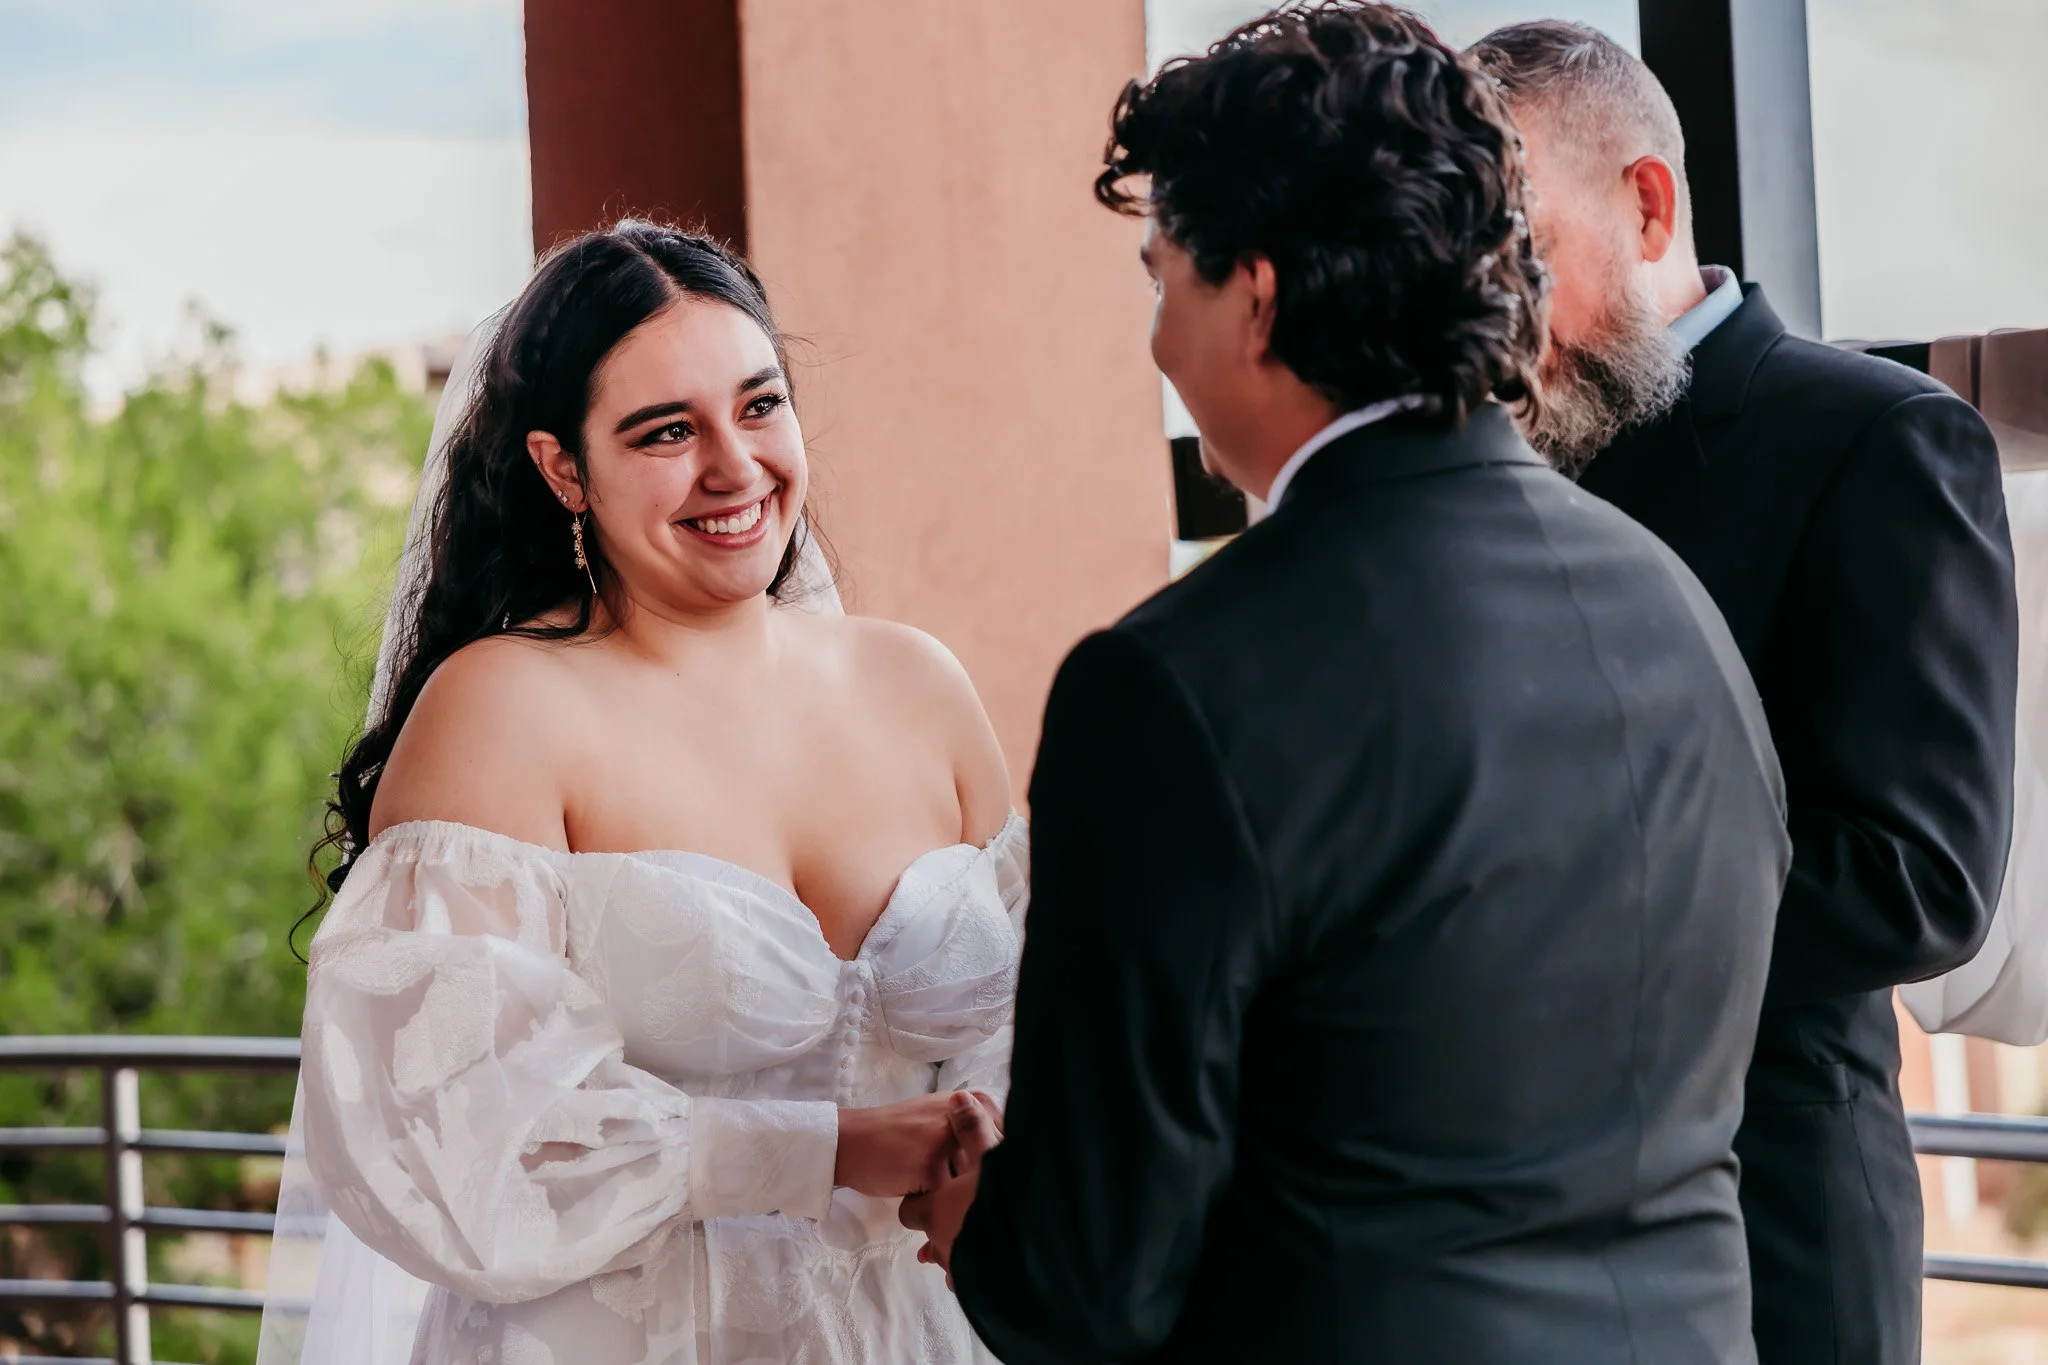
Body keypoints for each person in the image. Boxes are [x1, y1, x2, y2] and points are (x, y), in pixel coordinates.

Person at [901, 6, 1790, 1361]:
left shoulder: (1170, 685)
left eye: (1165, 282)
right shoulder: (1673, 606)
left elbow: (1086, 1280)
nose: (1158, 349)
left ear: (1255, 293)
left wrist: (983, 1220)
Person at [270, 221, 1023, 1365]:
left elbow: (1043, 1027)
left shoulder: (918, 683)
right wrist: (820, 1147)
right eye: (665, 432)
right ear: (561, 467)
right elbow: (448, 1141)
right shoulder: (503, 710)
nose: (733, 467)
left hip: (919, 1334)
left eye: (759, 405)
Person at [1468, 22, 2019, 1365]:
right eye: (1465, 269)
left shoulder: (1879, 440)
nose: (1496, 314)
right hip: (1506, 1237)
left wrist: (1534, 911)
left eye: (1521, 254)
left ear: (1647, 202)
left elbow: (1920, 879)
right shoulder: (1492, 474)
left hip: (1776, 1224)